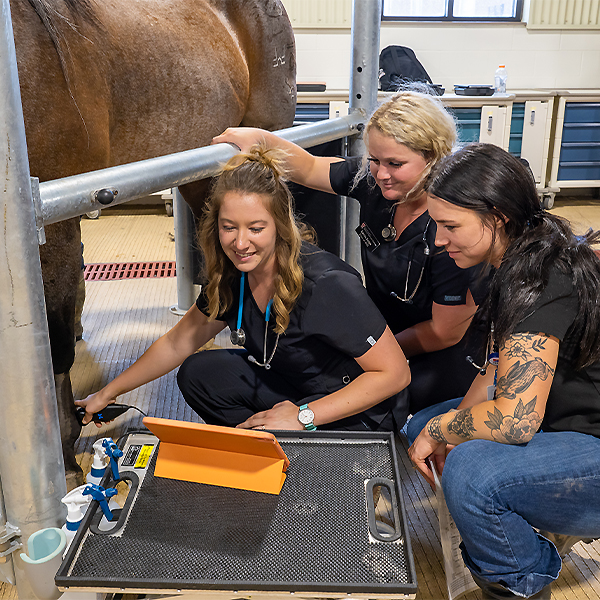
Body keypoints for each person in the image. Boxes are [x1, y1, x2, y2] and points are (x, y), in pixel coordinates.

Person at [76, 146, 410, 432]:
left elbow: (394, 374)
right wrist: (107, 392)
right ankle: (264, 447)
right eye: (228, 227)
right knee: (199, 374)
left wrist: (303, 417)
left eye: (256, 228)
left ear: (280, 226)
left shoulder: (326, 284)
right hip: (294, 385)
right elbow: (179, 342)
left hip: (359, 409)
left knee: (300, 432)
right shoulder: (233, 274)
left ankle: (304, 452)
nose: (240, 242)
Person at [213, 89, 484, 422]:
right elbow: (310, 167)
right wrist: (260, 139)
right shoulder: (376, 183)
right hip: (381, 331)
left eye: (395, 164)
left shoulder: (450, 229)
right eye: (375, 160)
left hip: (439, 353)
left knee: (363, 396)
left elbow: (446, 332)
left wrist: (369, 354)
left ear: (434, 158)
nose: (381, 172)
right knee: (329, 381)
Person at [408, 143, 600, 600]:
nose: (438, 239)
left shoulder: (541, 279)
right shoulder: (513, 259)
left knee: (472, 471)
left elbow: (514, 420)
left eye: (450, 225)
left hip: (591, 442)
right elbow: (495, 369)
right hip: (562, 423)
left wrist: (445, 429)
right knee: (424, 428)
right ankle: (542, 522)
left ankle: (521, 583)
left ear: (496, 216)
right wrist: (444, 432)